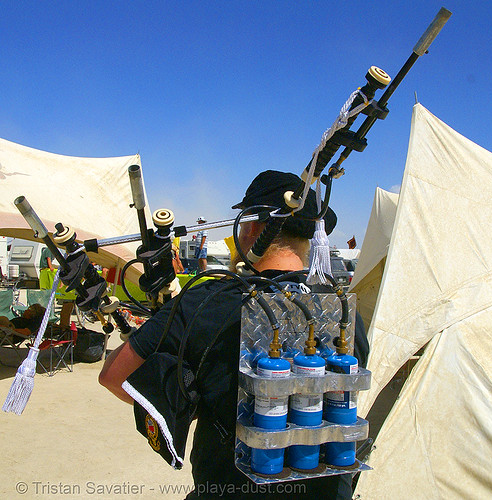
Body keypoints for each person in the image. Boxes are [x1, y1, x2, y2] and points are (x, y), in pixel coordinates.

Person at [99, 170, 368, 499]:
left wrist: (188, 397)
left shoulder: (205, 301)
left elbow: (115, 377)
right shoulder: (343, 313)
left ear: (253, 226)